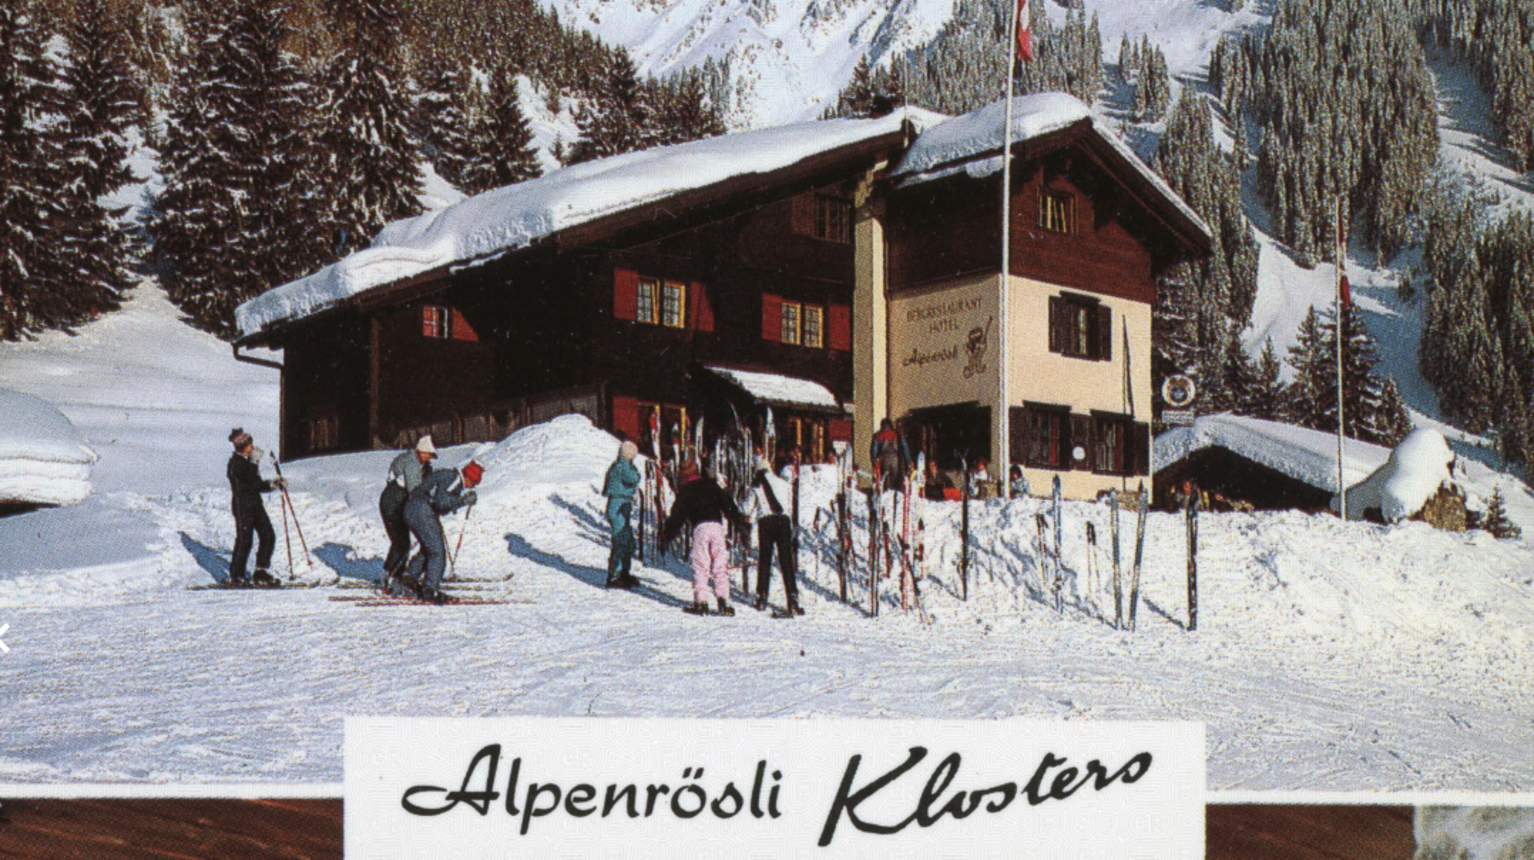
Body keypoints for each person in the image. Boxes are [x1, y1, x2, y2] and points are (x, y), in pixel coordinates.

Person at [660, 460, 749, 616]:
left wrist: (667, 535)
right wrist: (738, 522)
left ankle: (701, 602)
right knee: (719, 564)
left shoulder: (685, 491)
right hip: (717, 526)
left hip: (700, 528)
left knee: (701, 565)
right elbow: (728, 504)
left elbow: (677, 517)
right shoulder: (712, 485)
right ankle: (724, 601)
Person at [396, 458, 483, 604]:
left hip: (412, 507)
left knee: (428, 546)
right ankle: (430, 590)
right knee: (437, 551)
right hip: (421, 509)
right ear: (468, 477)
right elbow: (441, 501)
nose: (470, 487)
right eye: (473, 483)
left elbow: (439, 502)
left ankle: (409, 578)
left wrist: (457, 502)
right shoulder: (455, 479)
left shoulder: (450, 477)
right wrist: (462, 501)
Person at [226, 428, 284, 588]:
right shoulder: (235, 463)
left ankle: (261, 572)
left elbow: (256, 485)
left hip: (255, 504)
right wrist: (253, 463)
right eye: (248, 445)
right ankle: (236, 575)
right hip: (242, 505)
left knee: (268, 535)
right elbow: (248, 483)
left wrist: (273, 484)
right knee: (245, 540)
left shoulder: (247, 463)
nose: (252, 447)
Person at [745, 455, 800, 615]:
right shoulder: (782, 483)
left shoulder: (756, 486)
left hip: (766, 523)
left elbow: (747, 508)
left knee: (765, 560)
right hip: (783, 521)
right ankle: (792, 598)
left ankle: (762, 596)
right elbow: (789, 505)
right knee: (786, 561)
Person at [380, 435, 436, 588]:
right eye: (429, 455)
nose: (429, 459)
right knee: (401, 542)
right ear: (421, 452)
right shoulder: (411, 463)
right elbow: (414, 490)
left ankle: (395, 574)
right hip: (392, 503)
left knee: (403, 542)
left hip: (401, 503)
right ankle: (389, 576)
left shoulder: (419, 464)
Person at [602, 441, 642, 589]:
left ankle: (624, 571)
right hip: (618, 505)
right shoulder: (622, 466)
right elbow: (633, 477)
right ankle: (614, 575)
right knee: (620, 540)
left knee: (628, 540)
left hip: (622, 505)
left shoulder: (620, 464)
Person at [869, 418, 911, 492]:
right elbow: (905, 448)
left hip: (883, 460)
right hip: (896, 459)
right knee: (896, 483)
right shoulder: (897, 433)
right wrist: (908, 463)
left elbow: (874, 452)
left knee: (885, 483)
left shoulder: (877, 435)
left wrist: (874, 463)